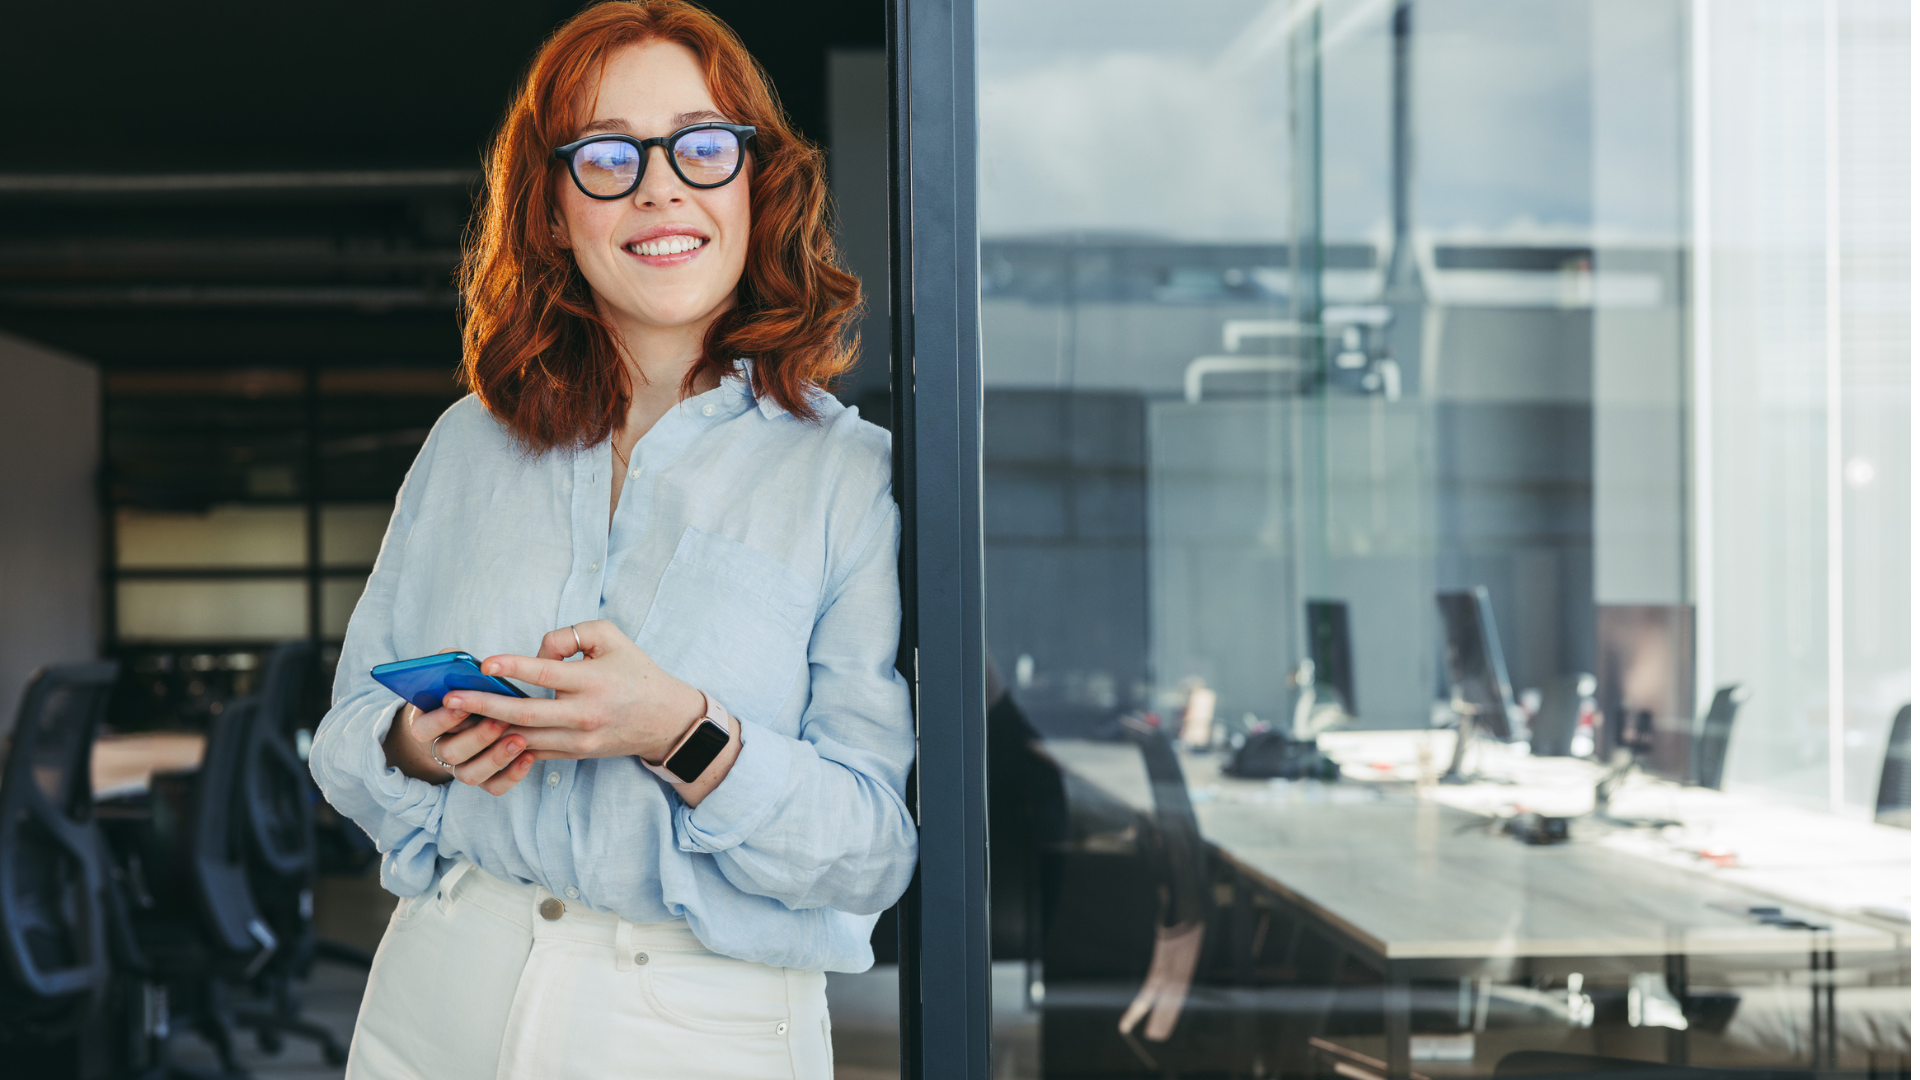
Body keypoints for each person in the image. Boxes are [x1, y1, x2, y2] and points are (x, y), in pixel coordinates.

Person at [306, 3, 916, 1076]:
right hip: (442, 983)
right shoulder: (467, 444)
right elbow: (346, 738)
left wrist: (682, 731)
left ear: (754, 183)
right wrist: (417, 747)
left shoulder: (844, 473)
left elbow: (872, 851)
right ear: (552, 212)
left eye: (702, 144)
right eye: (607, 155)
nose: (660, 185)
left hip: (697, 1017)